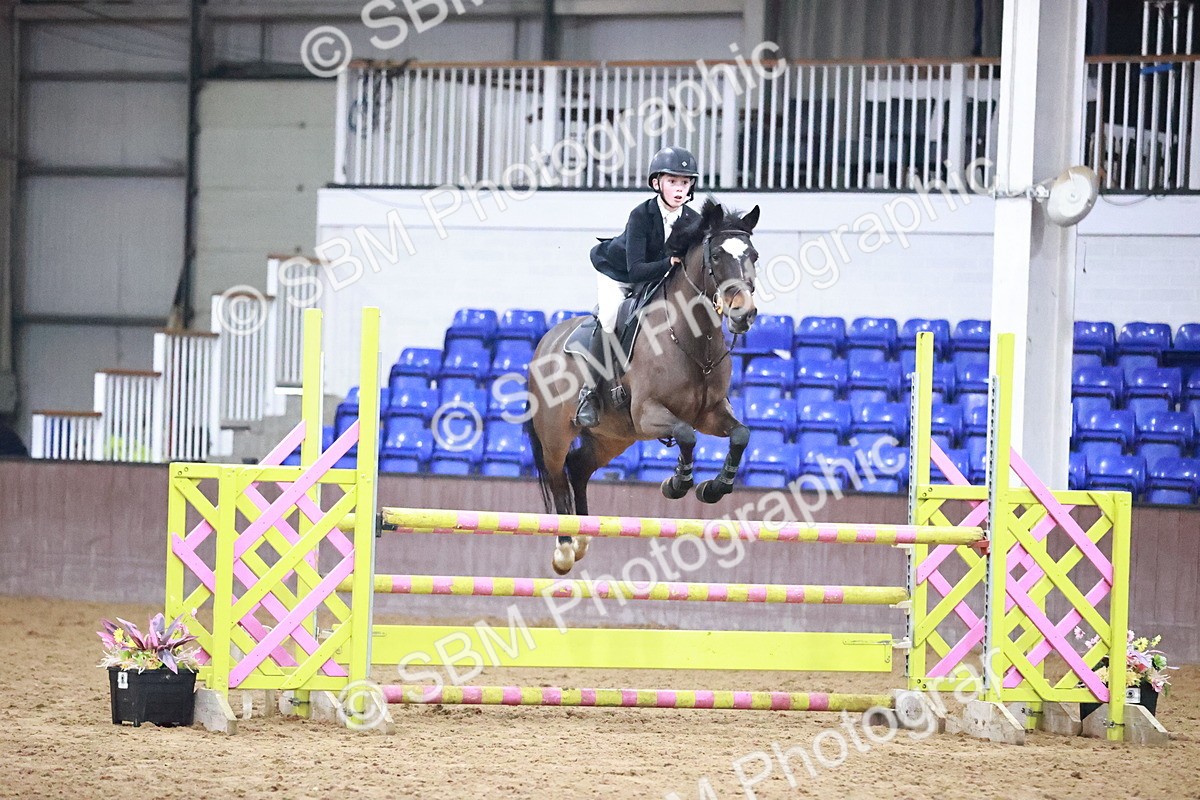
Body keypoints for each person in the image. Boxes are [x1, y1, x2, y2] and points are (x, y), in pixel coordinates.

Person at [575, 146, 702, 428]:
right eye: (672, 182)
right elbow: (636, 269)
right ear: (657, 183)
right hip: (619, 273)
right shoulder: (641, 215)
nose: (680, 188)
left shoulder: (693, 221)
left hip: (657, 277)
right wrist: (670, 262)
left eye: (685, 182)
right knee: (609, 317)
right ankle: (589, 393)